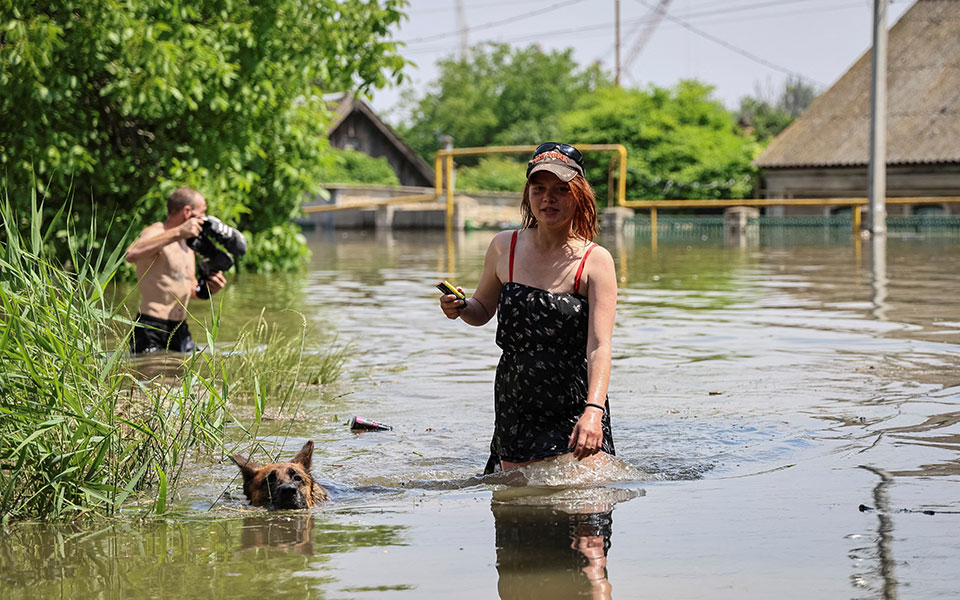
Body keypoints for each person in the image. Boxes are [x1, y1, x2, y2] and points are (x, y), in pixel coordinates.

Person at [439, 142, 618, 473]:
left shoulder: (596, 260)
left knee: (590, 510)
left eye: (560, 190)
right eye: (539, 189)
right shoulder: (502, 247)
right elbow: (481, 310)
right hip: (516, 401)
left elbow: (599, 346)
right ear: (528, 194)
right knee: (518, 510)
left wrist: (594, 410)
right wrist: (461, 307)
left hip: (576, 401)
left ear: (578, 195)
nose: (548, 199)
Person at [125, 187, 227, 353]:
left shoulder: (188, 244)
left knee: (192, 372)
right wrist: (179, 231)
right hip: (151, 327)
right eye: (202, 212)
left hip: (180, 329)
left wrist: (206, 289)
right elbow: (131, 254)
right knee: (152, 377)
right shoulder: (156, 232)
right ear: (187, 212)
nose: (204, 218)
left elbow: (189, 287)